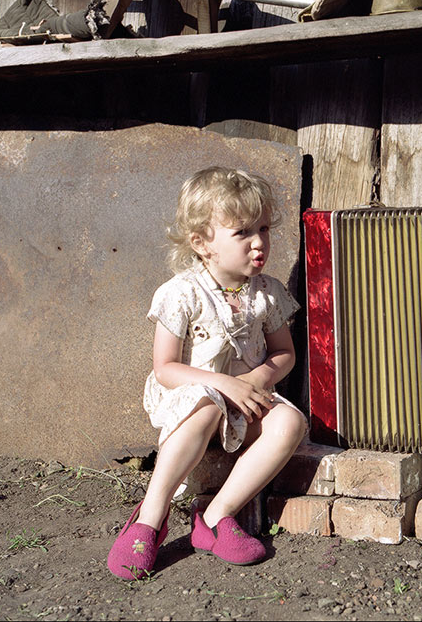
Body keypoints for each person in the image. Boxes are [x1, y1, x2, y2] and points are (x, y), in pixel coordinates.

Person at [107, 166, 308, 580]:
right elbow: (165, 369)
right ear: (202, 243)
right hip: (194, 405)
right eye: (242, 233)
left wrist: (256, 380)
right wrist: (222, 383)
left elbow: (284, 353)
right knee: (205, 401)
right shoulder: (181, 293)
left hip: (245, 401)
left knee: (290, 422)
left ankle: (215, 517)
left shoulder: (267, 292)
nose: (259, 243)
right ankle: (150, 516)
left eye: (265, 229)